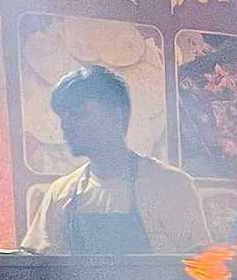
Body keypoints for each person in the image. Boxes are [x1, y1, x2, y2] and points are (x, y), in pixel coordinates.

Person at [22, 66, 209, 254]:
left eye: (79, 114)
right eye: (63, 118)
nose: (66, 126)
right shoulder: (60, 193)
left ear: (116, 116)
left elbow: (201, 268)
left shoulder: (171, 186)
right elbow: (36, 264)